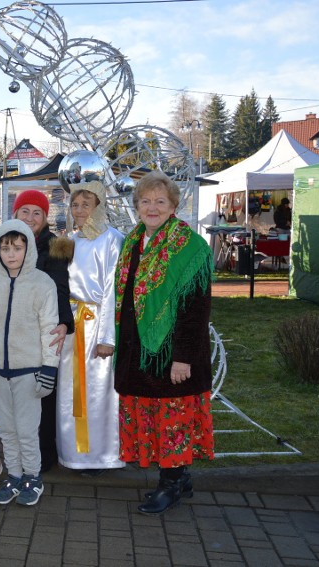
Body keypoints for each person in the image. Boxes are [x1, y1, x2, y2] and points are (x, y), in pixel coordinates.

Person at [114, 170, 214, 515]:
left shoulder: (190, 247)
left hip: (172, 355)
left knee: (171, 420)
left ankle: (170, 484)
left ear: (174, 206)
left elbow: (196, 309)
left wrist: (183, 358)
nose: (152, 207)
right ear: (136, 206)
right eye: (145, 201)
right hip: (139, 353)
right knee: (152, 417)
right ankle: (179, 478)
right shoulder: (133, 243)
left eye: (160, 201)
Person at [0, 219, 60, 506]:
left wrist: (49, 368)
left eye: (18, 248)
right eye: (5, 248)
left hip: (29, 371)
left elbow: (50, 329)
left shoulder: (42, 284)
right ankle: (14, 475)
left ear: (28, 249)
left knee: (26, 429)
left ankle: (33, 476)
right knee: (6, 429)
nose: (11, 254)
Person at [57, 181, 125, 476]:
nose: (79, 210)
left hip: (96, 322)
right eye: (75, 205)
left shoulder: (113, 239)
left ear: (99, 206)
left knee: (99, 391)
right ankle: (74, 453)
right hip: (72, 324)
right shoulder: (69, 240)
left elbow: (113, 289)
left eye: (86, 204)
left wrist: (107, 337)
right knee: (71, 392)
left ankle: (101, 455)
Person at [13, 189, 74, 472]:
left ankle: (44, 453)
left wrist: (63, 322)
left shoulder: (54, 246)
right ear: (15, 214)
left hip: (43, 329)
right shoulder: (8, 242)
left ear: (45, 217)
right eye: (24, 211)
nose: (30, 217)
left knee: (43, 391)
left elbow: (61, 288)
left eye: (37, 212)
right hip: (13, 330)